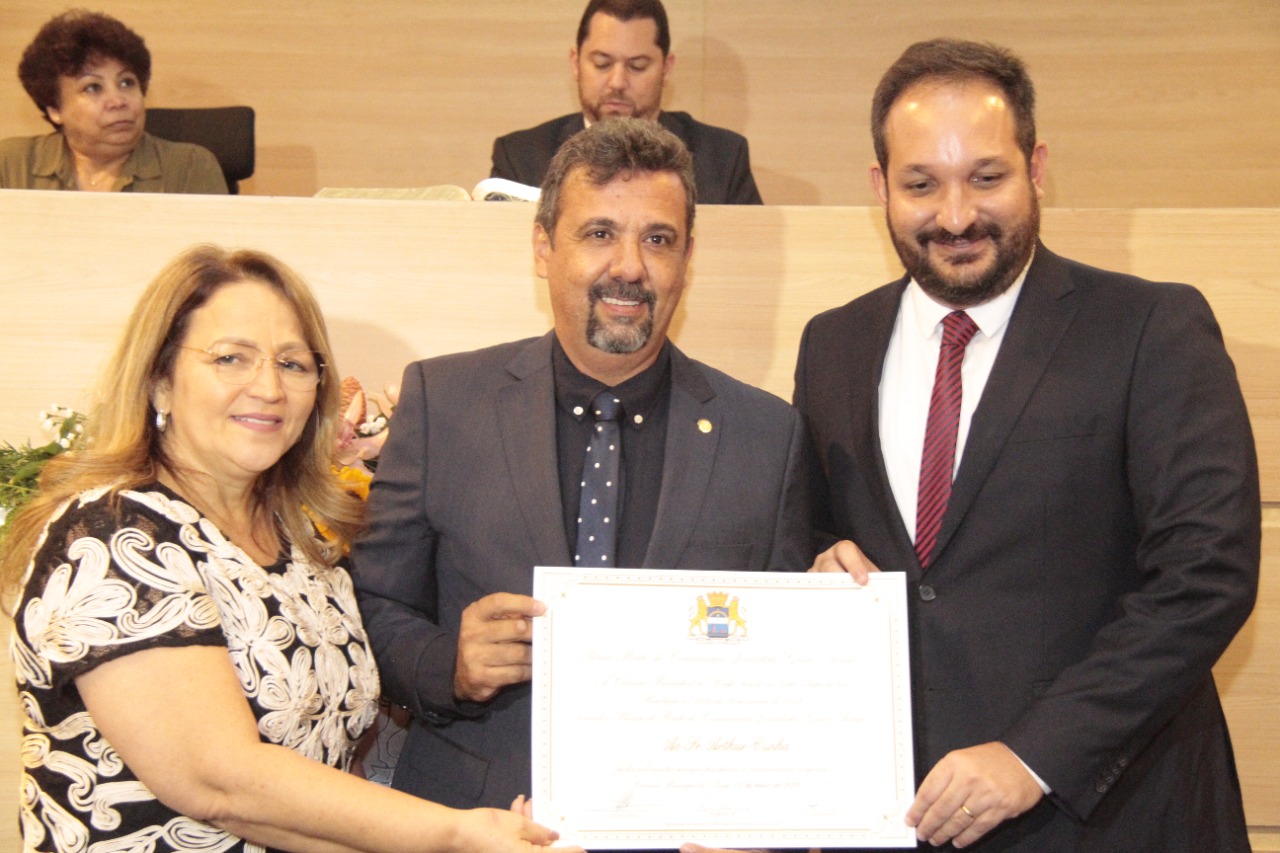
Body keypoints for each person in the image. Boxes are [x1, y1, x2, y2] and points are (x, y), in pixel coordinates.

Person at [794, 38, 1259, 852]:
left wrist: (1035, 754)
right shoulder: (832, 344)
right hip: (908, 817)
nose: (956, 216)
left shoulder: (1151, 328)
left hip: (1116, 817)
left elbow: (1206, 575)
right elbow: (810, 530)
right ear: (880, 187)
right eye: (921, 184)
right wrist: (817, 562)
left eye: (986, 177)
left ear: (1037, 168)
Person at [0, 245, 570, 853]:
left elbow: (327, 776)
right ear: (159, 381)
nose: (269, 388)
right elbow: (219, 782)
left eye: (294, 364)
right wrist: (456, 833)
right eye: (231, 358)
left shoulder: (305, 545)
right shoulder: (113, 537)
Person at [353, 117, 812, 812]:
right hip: (475, 818)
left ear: (688, 257)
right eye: (599, 233)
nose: (629, 266)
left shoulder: (767, 435)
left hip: (687, 822)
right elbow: (373, 605)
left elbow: (786, 661)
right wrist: (450, 664)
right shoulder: (442, 401)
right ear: (543, 247)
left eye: (657, 239)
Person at [490, 0, 762, 205]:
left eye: (637, 66)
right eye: (602, 63)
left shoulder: (723, 158)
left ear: (666, 68)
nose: (617, 82)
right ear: (575, 63)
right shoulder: (520, 157)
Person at [0, 10, 227, 193]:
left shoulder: (189, 167)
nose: (118, 101)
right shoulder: (11, 164)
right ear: (55, 109)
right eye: (93, 87)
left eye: (127, 83)